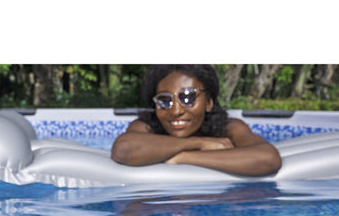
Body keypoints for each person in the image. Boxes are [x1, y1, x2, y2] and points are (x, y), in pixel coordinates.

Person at [111, 65, 282, 177]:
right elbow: (123, 150)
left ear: (208, 102)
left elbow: (267, 158)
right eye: (164, 100)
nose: (176, 111)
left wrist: (185, 157)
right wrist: (199, 143)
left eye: (188, 97)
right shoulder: (147, 126)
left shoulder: (228, 127)